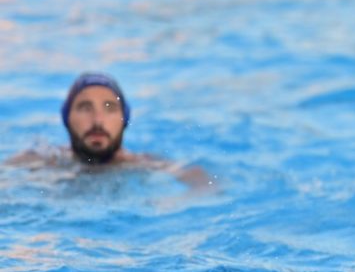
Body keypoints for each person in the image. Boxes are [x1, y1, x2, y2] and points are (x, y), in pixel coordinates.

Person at [6, 72, 212, 188]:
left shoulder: (145, 165)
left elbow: (203, 183)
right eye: (85, 108)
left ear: (125, 119)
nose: (97, 120)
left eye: (109, 108)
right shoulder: (39, 161)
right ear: (67, 119)